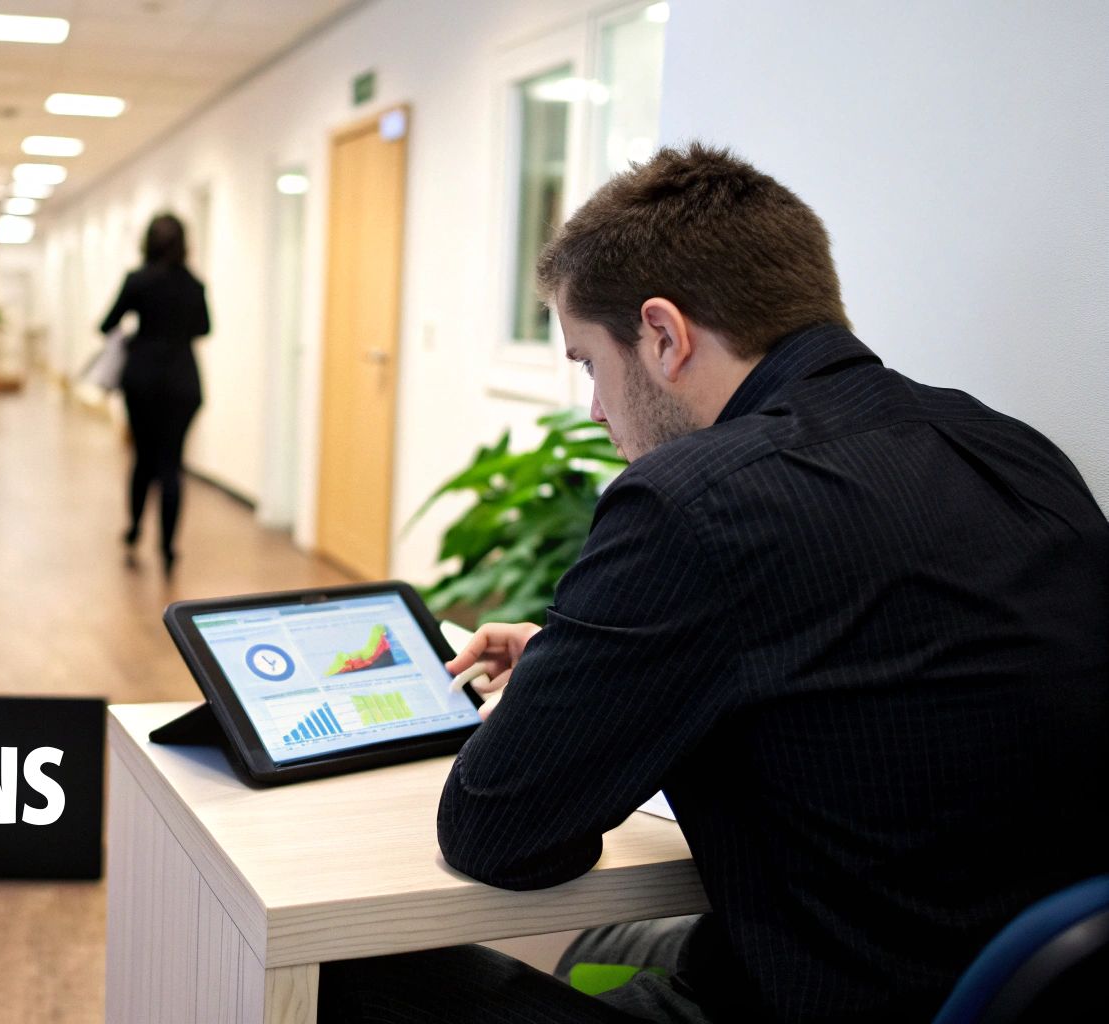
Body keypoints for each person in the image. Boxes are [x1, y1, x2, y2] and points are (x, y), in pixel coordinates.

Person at [319, 144, 1109, 1022]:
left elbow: (501, 834)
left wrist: (571, 702)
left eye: (588, 362)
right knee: (613, 947)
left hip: (835, 993)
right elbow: (865, 663)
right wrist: (601, 661)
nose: (594, 409)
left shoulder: (696, 499)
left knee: (344, 976)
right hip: (1010, 981)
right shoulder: (1010, 446)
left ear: (663, 335)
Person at [100, 213, 211, 573]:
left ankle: (134, 530)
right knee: (172, 466)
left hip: (143, 379)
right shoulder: (194, 284)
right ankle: (168, 548)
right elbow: (204, 328)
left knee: (144, 459)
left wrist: (140, 333)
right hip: (183, 382)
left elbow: (107, 324)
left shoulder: (138, 280)